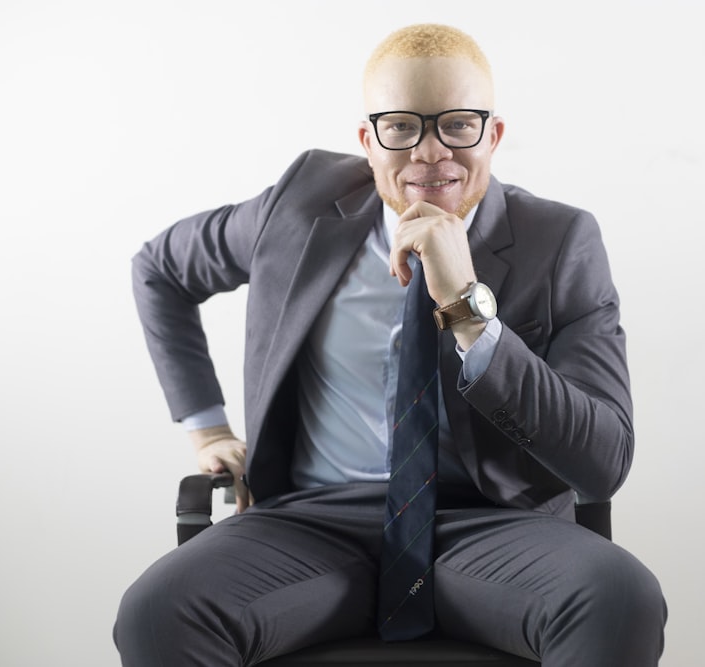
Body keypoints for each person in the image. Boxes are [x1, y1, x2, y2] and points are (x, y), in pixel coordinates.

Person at [115, 22, 666, 666]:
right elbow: (160, 270)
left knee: (619, 595)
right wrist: (208, 431)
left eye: (458, 125)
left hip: (489, 525)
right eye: (402, 127)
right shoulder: (295, 210)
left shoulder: (559, 241)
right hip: (311, 522)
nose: (431, 153)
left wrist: (467, 309)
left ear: (493, 135)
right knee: (160, 609)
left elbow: (603, 461)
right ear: (367, 142)